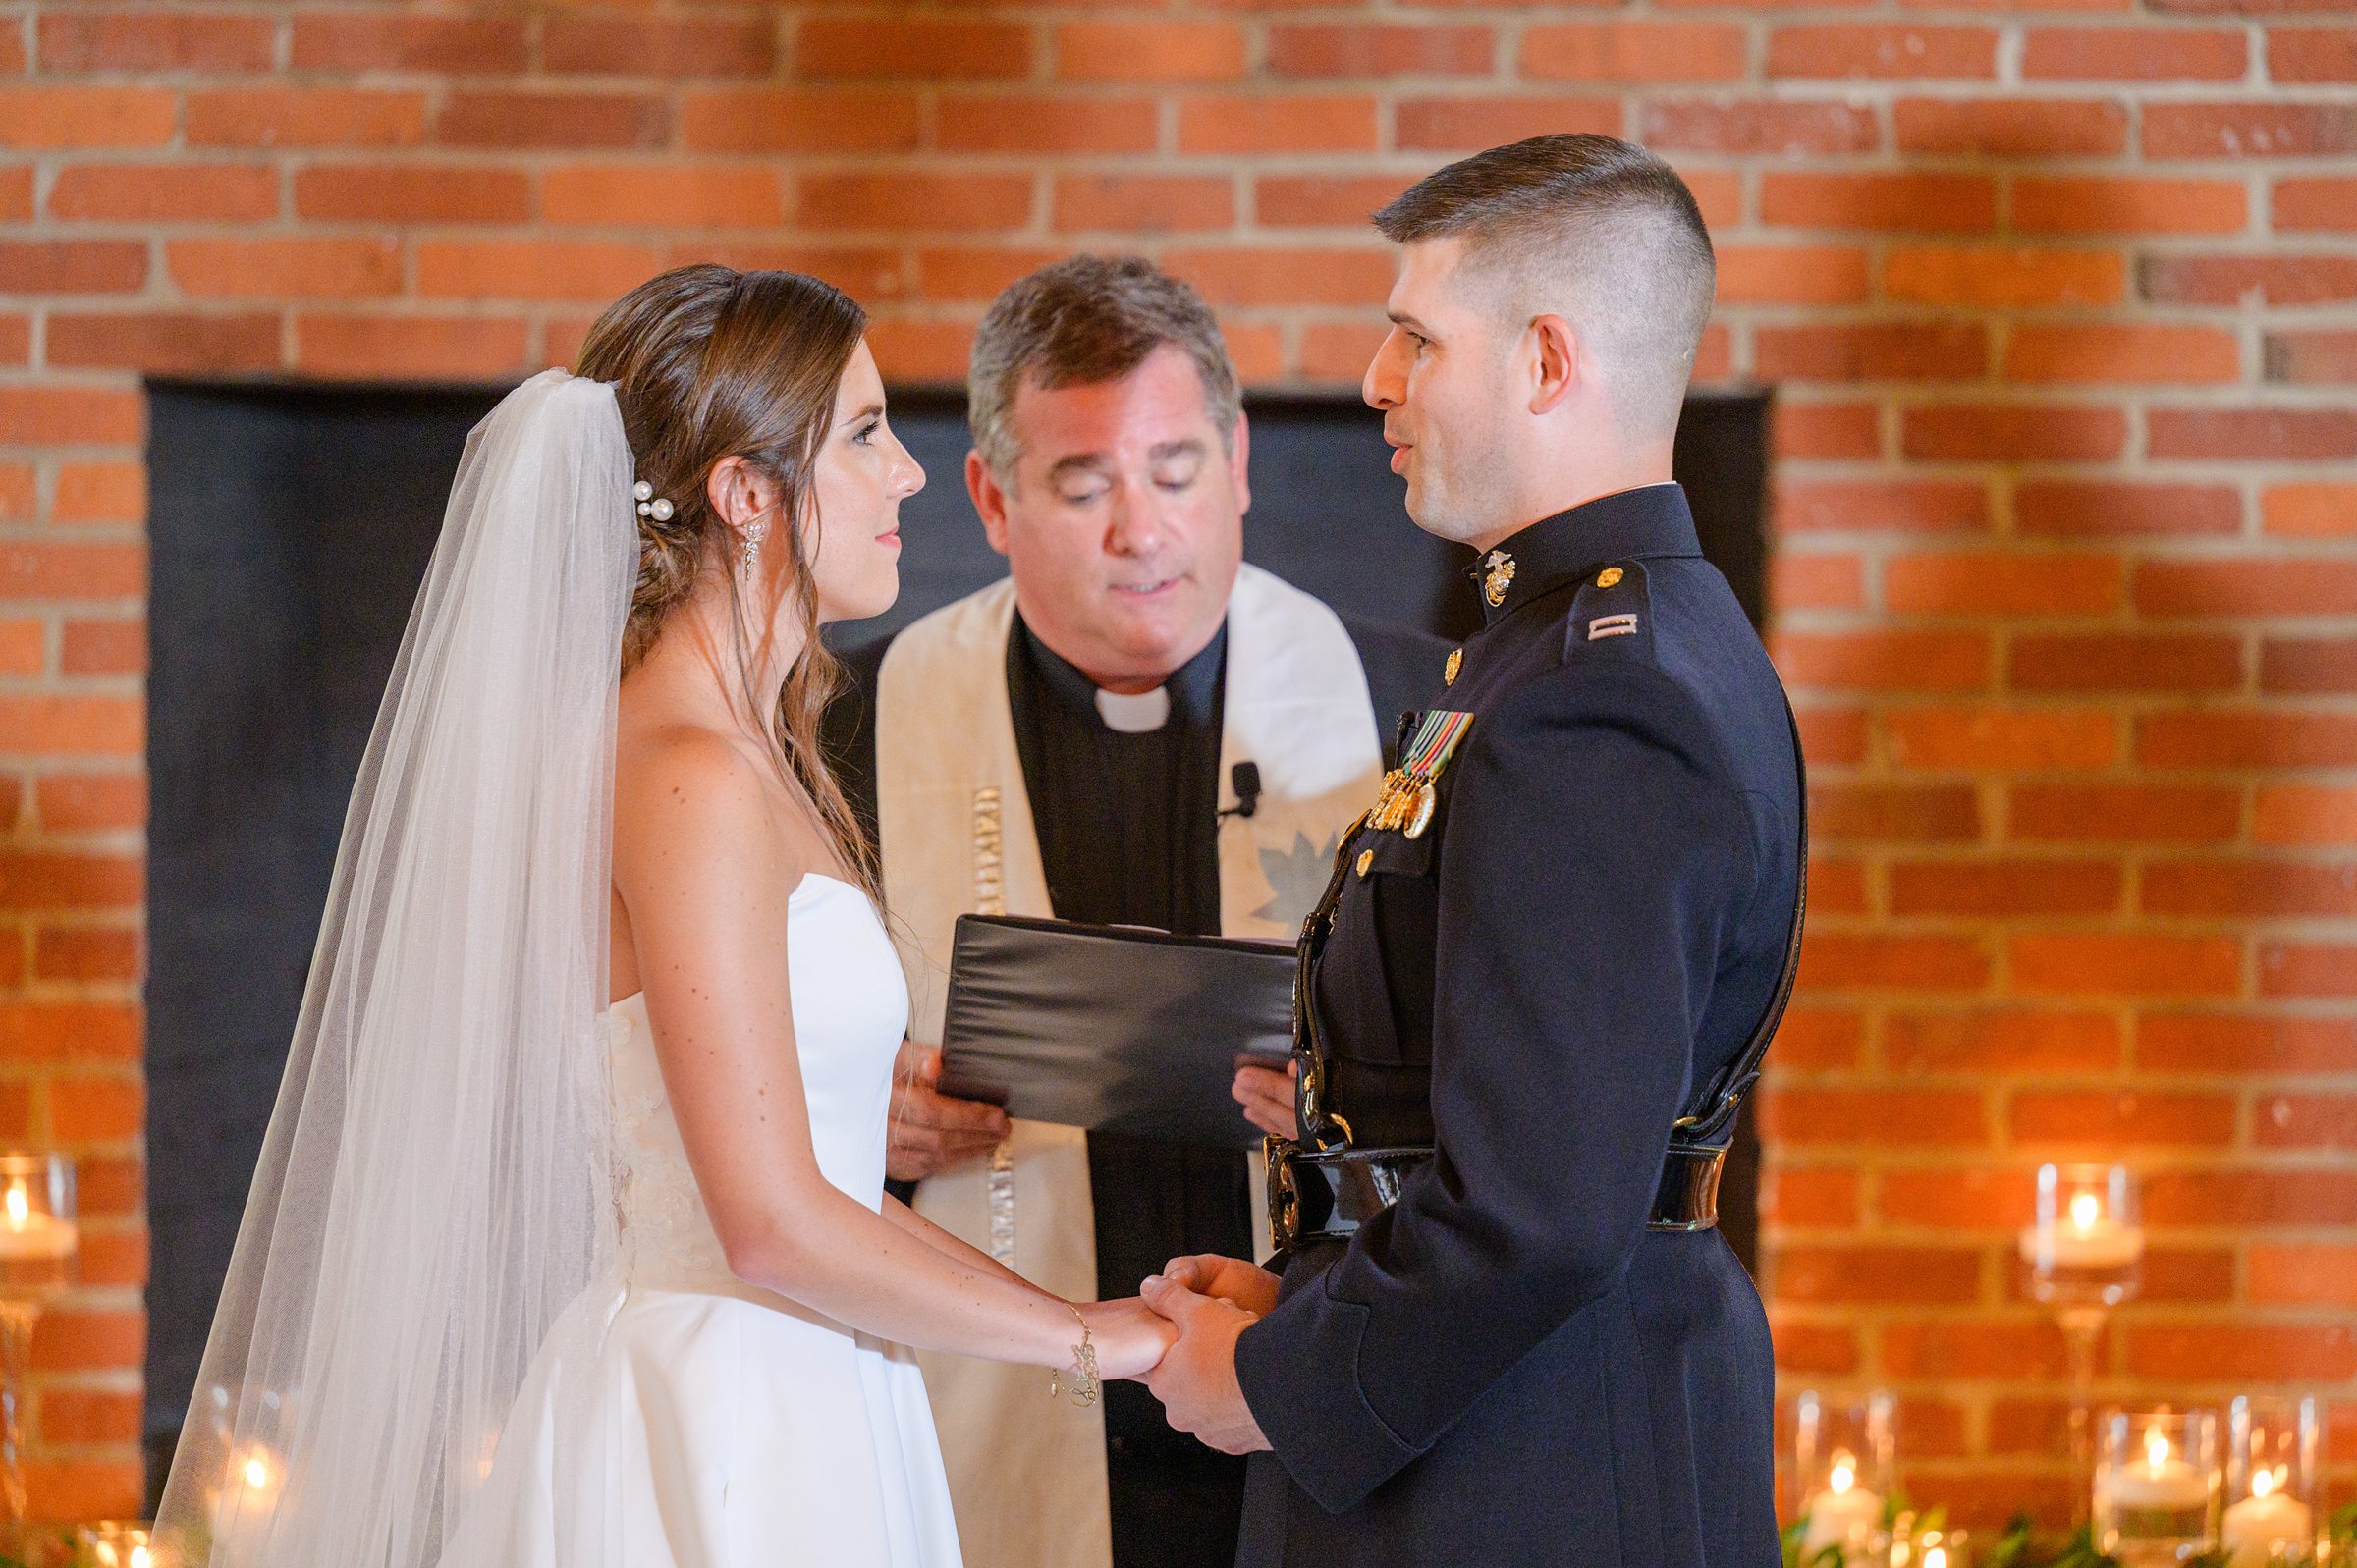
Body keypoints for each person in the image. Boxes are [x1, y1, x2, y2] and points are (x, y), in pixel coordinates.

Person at [154, 265, 1174, 1568]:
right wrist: (1107, 1342)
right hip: (725, 1417)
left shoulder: (745, 759)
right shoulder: (685, 771)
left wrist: (1087, 1315)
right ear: (746, 496)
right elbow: (768, 1223)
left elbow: (821, 1193)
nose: (910, 474)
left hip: (810, 1382)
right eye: (862, 436)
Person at [1139, 135, 1801, 1567]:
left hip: (1529, 1451)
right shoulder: (1572, 644)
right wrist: (1307, 1292)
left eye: (1415, 336)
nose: (1379, 378)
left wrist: (1275, 1382)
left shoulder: (1597, 688)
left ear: (1547, 361)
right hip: (1505, 1395)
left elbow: (1543, 1210)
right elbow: (1507, 1111)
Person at [823, 254, 1445, 1568]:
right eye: (1083, 483)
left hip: (1312, 1385)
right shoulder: (848, 723)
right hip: (996, 1389)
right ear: (991, 495)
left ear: (1241, 460)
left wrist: (1376, 1096)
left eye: (1174, 472)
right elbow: (726, 1068)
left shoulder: (1414, 708)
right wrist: (852, 1114)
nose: (1142, 532)